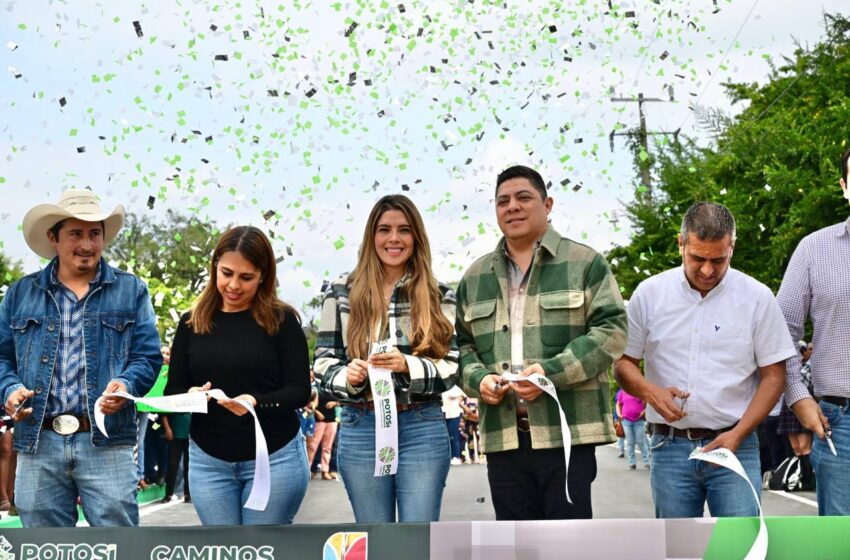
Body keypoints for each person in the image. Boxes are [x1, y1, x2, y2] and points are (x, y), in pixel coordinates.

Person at [456, 165, 627, 521]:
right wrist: (479, 380)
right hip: (504, 438)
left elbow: (611, 331)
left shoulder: (585, 262)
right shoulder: (474, 277)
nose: (512, 207)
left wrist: (550, 374)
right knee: (516, 547)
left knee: (568, 547)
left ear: (548, 204)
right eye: (503, 201)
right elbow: (461, 348)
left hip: (566, 436)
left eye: (523, 197)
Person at [614, 202, 796, 518]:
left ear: (732, 247)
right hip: (670, 448)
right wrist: (649, 392)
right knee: (679, 550)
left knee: (741, 547)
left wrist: (739, 433)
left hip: (737, 444)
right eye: (698, 258)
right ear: (681, 243)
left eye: (719, 260)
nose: (708, 270)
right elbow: (623, 363)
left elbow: (775, 375)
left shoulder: (756, 297)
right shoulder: (649, 294)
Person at [0, 189, 162, 527]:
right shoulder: (20, 293)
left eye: (95, 233)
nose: (86, 244)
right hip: (37, 442)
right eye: (75, 233)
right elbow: (2, 359)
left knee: (117, 545)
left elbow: (147, 357)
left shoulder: (132, 290)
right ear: (53, 238)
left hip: (107, 441)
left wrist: (126, 384)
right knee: (44, 548)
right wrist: (9, 388)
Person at [313, 194, 458, 523]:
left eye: (404, 230)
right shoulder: (339, 291)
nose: (394, 238)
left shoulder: (440, 294)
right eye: (384, 229)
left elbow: (451, 367)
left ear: (416, 237)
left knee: (415, 539)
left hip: (421, 425)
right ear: (371, 236)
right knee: (375, 537)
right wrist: (346, 376)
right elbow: (322, 363)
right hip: (360, 425)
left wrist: (409, 365)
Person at [165, 226, 311, 525]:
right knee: (222, 551)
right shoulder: (191, 323)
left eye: (246, 278)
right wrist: (190, 397)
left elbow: (299, 390)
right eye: (226, 273)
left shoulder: (282, 321)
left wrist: (255, 402)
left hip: (275, 459)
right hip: (209, 462)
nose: (233, 285)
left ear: (263, 276)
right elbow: (172, 390)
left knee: (261, 552)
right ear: (214, 266)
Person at [776, 147, 850, 515]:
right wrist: (797, 396)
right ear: (844, 186)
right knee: (841, 543)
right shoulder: (814, 249)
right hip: (841, 421)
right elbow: (779, 334)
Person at [775, 341, 814, 490]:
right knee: (796, 447)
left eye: (801, 351)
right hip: (788, 404)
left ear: (804, 353)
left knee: (805, 447)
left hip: (804, 402)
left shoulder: (810, 365)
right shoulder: (788, 367)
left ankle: (807, 481)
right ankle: (796, 478)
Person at [160, 412, 191, 503]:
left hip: (190, 434)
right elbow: (163, 413)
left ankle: (188, 494)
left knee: (188, 466)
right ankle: (168, 494)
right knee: (172, 464)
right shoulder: (170, 396)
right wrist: (167, 428)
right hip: (174, 433)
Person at [616, 388, 650, 470]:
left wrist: (644, 411)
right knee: (630, 442)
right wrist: (619, 414)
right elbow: (618, 404)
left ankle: (646, 462)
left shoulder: (640, 391)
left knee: (640, 441)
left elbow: (648, 403)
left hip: (639, 420)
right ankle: (632, 463)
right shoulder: (622, 392)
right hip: (626, 420)